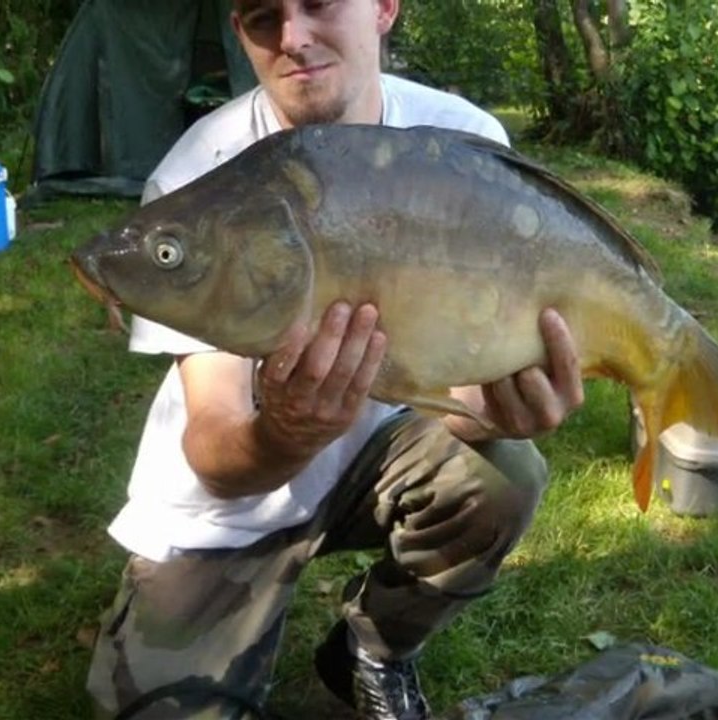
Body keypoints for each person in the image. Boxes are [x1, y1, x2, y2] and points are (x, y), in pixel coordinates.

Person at [86, 1, 584, 718]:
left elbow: (463, 406)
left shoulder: (463, 142)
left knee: (505, 473)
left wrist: (503, 415)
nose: (292, 37)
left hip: (381, 451)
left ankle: (374, 646)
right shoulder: (203, 170)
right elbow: (216, 445)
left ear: (384, 7)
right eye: (263, 17)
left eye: (317, 3)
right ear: (240, 34)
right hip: (231, 502)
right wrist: (287, 430)